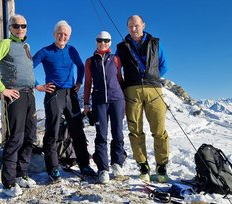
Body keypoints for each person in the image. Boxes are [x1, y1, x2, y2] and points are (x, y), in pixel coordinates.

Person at [33, 20, 97, 182]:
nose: (62, 37)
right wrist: (38, 86)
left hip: (71, 94)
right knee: (52, 130)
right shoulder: (46, 51)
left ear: (69, 36)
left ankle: (84, 165)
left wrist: (79, 82)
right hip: (53, 94)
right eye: (60, 33)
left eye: (65, 34)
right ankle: (53, 168)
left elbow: (81, 67)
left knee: (77, 131)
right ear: (54, 34)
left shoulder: (71, 50)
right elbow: (28, 67)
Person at [0, 14, 37, 197]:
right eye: (16, 26)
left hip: (30, 94)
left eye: (23, 25)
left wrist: (36, 85)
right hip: (15, 95)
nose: (20, 29)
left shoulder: (26, 46)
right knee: (16, 138)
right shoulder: (5, 44)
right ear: (10, 28)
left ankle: (22, 174)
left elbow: (26, 71)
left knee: (30, 136)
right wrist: (2, 89)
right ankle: (8, 183)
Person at [116, 15, 169, 183]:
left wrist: (151, 77)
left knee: (159, 130)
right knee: (135, 129)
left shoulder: (155, 43)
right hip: (132, 90)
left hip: (154, 89)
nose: (133, 29)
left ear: (143, 25)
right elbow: (117, 69)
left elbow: (163, 66)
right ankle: (143, 166)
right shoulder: (121, 47)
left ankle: (161, 167)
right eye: (130, 26)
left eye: (136, 25)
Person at [83, 31, 126, 184]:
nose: (103, 43)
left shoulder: (115, 59)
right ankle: (103, 169)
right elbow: (87, 83)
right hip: (99, 101)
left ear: (110, 42)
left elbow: (120, 79)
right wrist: (86, 103)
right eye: (100, 40)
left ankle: (117, 164)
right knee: (101, 135)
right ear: (96, 42)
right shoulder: (90, 61)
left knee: (118, 133)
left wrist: (125, 100)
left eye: (106, 41)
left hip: (117, 100)